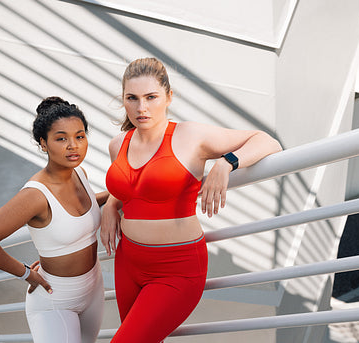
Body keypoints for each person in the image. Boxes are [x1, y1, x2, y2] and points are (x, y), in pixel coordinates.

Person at [101, 57, 282, 342]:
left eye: (151, 97)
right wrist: (111, 204)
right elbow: (129, 189)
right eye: (132, 98)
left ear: (169, 97)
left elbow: (267, 141)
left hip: (176, 270)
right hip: (128, 262)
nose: (141, 107)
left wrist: (226, 163)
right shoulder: (118, 144)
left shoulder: (190, 136)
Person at [0, 96, 108, 343]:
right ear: (43, 143)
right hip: (55, 299)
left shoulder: (79, 174)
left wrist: (117, 193)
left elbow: (81, 209)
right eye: (61, 138)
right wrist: (25, 274)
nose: (73, 145)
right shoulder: (34, 195)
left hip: (93, 287)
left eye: (80, 136)